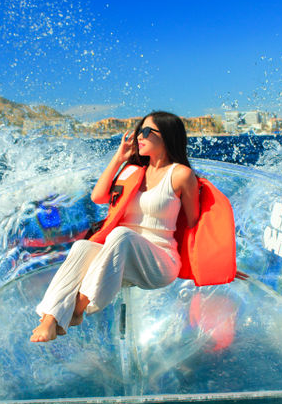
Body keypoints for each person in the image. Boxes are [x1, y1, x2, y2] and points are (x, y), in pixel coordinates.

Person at [30, 111, 200, 342]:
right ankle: (51, 318)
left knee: (121, 234)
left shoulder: (181, 174)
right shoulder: (133, 171)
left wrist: (212, 263)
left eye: (148, 132)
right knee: (81, 247)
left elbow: (194, 224)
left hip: (158, 261)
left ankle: (77, 309)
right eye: (140, 130)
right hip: (120, 255)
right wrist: (119, 158)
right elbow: (98, 196)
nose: (140, 136)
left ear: (167, 136)